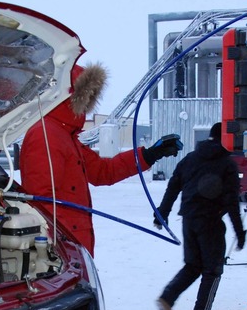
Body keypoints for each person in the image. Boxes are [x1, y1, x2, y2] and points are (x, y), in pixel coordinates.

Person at [19, 62, 182, 256]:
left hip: (75, 245)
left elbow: (103, 172)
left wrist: (150, 154)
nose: (88, 104)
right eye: (86, 95)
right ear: (69, 94)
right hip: (62, 249)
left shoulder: (66, 136)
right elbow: (41, 202)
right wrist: (60, 252)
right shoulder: (45, 135)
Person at [153, 122, 246, 310]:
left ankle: (167, 298)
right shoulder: (226, 164)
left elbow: (173, 186)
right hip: (210, 221)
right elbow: (231, 202)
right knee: (213, 269)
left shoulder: (191, 158)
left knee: (194, 265)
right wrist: (240, 233)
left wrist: (163, 213)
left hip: (189, 219)